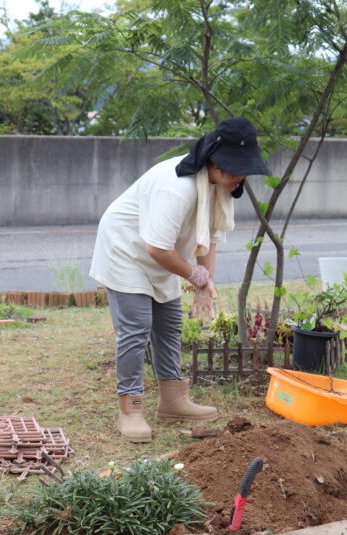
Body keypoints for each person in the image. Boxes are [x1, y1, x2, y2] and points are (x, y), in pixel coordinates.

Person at [90, 117, 271, 443]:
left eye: (244, 168)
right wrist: (194, 275)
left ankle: (173, 401)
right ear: (213, 160)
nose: (239, 175)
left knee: (169, 323)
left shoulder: (220, 186)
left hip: (163, 254)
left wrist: (206, 283)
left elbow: (210, 237)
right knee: (137, 328)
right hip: (125, 249)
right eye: (233, 167)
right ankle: (130, 409)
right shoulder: (177, 186)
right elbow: (156, 247)